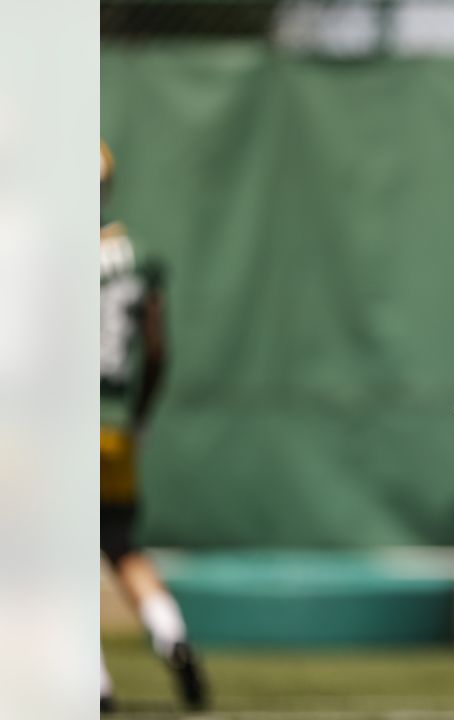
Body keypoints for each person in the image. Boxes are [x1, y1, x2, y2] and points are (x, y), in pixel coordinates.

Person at [99, 140, 207, 712]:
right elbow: (157, 351)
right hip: (114, 424)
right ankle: (173, 636)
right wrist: (137, 418)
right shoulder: (138, 255)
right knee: (120, 545)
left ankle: (94, 681)